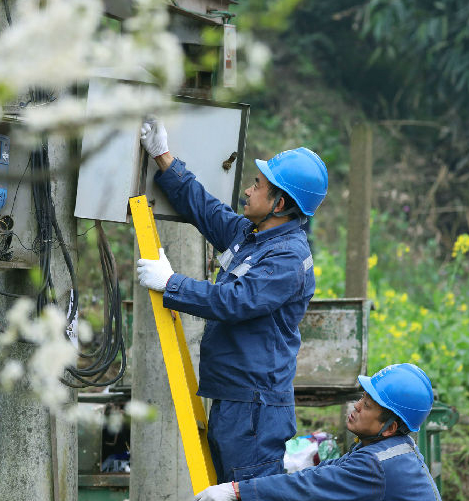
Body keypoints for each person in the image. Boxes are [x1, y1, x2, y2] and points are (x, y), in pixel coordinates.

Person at [135, 119, 329, 482]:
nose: (248, 191)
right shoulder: (254, 236)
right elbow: (207, 211)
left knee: (247, 493)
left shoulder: (287, 258)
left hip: (255, 410)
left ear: (280, 203)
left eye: (258, 185)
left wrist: (171, 284)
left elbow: (235, 301)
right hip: (235, 399)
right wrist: (162, 155)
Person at [192, 363, 441, 501]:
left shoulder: (375, 465)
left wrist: (236, 491)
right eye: (362, 397)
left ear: (390, 428)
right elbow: (328, 471)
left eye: (367, 406)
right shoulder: (388, 450)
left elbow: (311, 485)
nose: (356, 406)